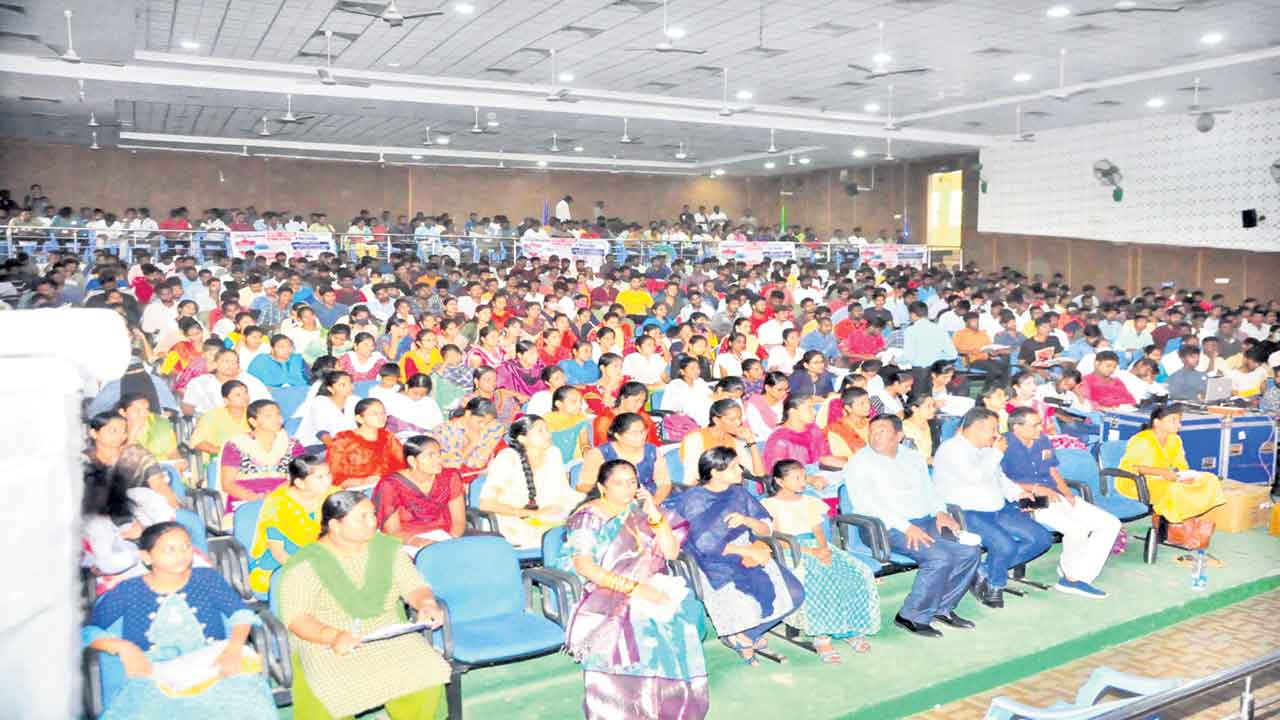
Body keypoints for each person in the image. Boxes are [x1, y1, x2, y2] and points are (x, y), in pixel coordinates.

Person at [558, 458, 710, 719]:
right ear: (602, 487)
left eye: (632, 482)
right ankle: (629, 708)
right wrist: (636, 589)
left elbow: (672, 553)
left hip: (645, 581)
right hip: (603, 589)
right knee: (645, 626)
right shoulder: (588, 518)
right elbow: (584, 566)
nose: (628, 489)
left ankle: (671, 702)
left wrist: (653, 513)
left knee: (684, 614)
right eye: (619, 483)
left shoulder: (639, 512)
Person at [278, 491, 450, 720]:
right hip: (324, 638)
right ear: (334, 525)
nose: (373, 522)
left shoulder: (386, 548)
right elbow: (298, 618)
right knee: (332, 687)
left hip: (383, 627)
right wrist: (333, 636)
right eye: (363, 517)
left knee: (427, 669)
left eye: (373, 514)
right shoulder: (307, 563)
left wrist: (426, 604)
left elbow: (414, 586)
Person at [84, 522, 278, 720]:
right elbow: (89, 632)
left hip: (209, 661)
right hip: (153, 671)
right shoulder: (127, 590)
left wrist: (234, 648)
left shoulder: (207, 579)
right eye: (170, 549)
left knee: (246, 697)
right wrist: (124, 647)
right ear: (146, 556)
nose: (181, 554)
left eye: (186, 546)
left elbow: (240, 614)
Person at [662, 446, 804, 666]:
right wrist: (747, 551)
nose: (741, 470)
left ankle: (745, 636)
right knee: (744, 605)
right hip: (710, 561)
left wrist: (747, 522)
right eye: (734, 466)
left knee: (795, 593)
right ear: (715, 472)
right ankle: (742, 636)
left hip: (747, 550)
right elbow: (704, 545)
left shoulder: (739, 492)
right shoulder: (694, 499)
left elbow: (766, 529)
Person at [845, 415, 980, 637]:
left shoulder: (912, 457)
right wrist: (905, 526)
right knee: (939, 558)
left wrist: (940, 512)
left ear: (898, 436)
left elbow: (930, 489)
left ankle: (943, 608)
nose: (874, 436)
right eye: (872, 431)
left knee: (968, 551)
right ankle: (911, 615)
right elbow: (867, 505)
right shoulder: (860, 462)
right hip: (884, 528)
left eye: (882, 431)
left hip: (924, 521)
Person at [933, 408, 1054, 608]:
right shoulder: (951, 449)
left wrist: (1018, 493)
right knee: (1005, 545)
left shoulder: (987, 450)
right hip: (967, 512)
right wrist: (997, 453)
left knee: (1041, 539)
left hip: (998, 509)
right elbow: (974, 478)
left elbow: (1000, 478)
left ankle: (985, 571)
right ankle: (995, 585)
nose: (997, 434)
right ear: (978, 428)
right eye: (993, 429)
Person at [761, 459, 880, 663]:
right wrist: (811, 551)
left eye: (804, 477)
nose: (802, 482)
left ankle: (848, 629)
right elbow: (778, 539)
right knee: (820, 579)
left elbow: (817, 530)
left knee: (856, 572)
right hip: (792, 551)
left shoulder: (808, 501)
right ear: (780, 482)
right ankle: (822, 636)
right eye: (796, 478)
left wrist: (824, 548)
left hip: (816, 546)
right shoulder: (769, 505)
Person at [1002, 407, 1121, 598]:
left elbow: (1052, 470)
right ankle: (1071, 579)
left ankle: (1078, 574)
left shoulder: (1042, 441)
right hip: (1027, 500)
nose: (1041, 428)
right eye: (1035, 425)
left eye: (1040, 423)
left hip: (1055, 494)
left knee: (1110, 524)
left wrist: (1068, 494)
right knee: (1077, 529)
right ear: (1017, 428)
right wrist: (1034, 489)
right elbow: (998, 480)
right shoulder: (1002, 445)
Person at [1117, 404, 1227, 554]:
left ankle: (1188, 521)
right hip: (1137, 481)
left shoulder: (1175, 440)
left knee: (1209, 479)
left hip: (1167, 478)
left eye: (1179, 421)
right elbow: (1134, 468)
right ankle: (1180, 527)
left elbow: (1180, 464)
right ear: (1157, 422)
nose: (1178, 425)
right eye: (1173, 420)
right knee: (1173, 489)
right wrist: (1162, 473)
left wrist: (1186, 476)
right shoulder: (1141, 440)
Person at [478, 415, 585, 549]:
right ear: (522, 438)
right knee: (559, 538)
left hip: (547, 518)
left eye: (547, 429)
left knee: (584, 524)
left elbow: (564, 492)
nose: (547, 434)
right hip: (511, 520)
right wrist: (532, 514)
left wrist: (584, 505)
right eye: (540, 431)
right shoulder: (508, 457)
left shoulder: (553, 453)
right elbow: (486, 504)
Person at [247, 454, 335, 595]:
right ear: (300, 483)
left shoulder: (333, 495)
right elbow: (278, 553)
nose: (328, 481)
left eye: (328, 474)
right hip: (286, 563)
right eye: (320, 477)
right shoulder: (278, 505)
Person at [373, 435, 465, 551]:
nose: (439, 460)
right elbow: (392, 531)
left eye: (439, 454)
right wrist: (421, 543)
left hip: (445, 538)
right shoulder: (391, 484)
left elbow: (459, 521)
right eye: (431, 456)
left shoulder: (450, 477)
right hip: (407, 542)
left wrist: (451, 541)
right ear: (412, 461)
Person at [219, 399, 306, 510]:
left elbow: (301, 476)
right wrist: (255, 498)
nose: (277, 419)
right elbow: (228, 483)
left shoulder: (293, 444)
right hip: (245, 501)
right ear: (253, 422)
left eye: (278, 414)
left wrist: (275, 496)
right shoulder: (236, 445)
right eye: (268, 416)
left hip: (283, 497)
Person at [762, 395, 845, 502]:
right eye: (809, 408)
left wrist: (848, 463)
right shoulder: (779, 440)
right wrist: (809, 479)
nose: (814, 412)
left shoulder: (813, 429)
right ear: (792, 412)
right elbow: (778, 474)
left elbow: (823, 457)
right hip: (796, 484)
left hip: (822, 474)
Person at [578, 413, 672, 502]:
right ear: (618, 436)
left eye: (643, 431)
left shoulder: (651, 450)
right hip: (615, 501)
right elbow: (585, 486)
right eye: (634, 433)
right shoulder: (599, 454)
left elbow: (664, 483)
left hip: (650, 495)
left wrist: (655, 502)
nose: (641, 436)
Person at [679, 399, 765, 487]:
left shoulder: (732, 440)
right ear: (716, 420)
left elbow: (758, 473)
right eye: (732, 420)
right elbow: (691, 479)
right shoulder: (695, 439)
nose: (738, 423)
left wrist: (750, 440)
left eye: (739, 418)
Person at [326, 398, 408, 489]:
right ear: (359, 418)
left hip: (388, 487)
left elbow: (402, 465)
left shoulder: (388, 437)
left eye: (383, 413)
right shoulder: (343, 440)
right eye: (374, 414)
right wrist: (362, 481)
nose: (381, 417)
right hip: (357, 491)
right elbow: (334, 476)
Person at [430, 396, 505, 478]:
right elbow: (451, 466)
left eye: (487, 422)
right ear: (468, 414)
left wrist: (463, 456)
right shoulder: (442, 432)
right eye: (480, 422)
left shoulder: (494, 427)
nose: (483, 426)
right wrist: (472, 444)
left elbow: (478, 463)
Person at [294, 371, 358, 449]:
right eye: (343, 385)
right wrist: (337, 448)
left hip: (345, 444)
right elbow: (322, 433)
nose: (350, 387)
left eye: (350, 383)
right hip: (315, 445)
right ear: (330, 389)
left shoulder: (355, 400)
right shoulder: (320, 402)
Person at [190, 380, 251, 458]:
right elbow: (197, 442)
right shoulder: (212, 416)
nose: (244, 397)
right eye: (238, 395)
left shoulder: (255, 414)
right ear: (226, 400)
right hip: (218, 461)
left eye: (246, 393)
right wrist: (223, 452)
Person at [592, 381, 660, 448]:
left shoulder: (644, 417)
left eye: (642, 401)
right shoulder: (604, 421)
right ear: (623, 397)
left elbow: (654, 445)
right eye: (636, 400)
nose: (640, 405)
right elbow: (603, 450)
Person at [826, 386, 871, 460]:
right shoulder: (836, 430)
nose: (867, 406)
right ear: (848, 408)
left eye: (868, 401)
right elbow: (845, 460)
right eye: (862, 404)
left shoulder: (872, 423)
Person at [744, 370, 789, 440]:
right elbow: (758, 432)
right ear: (767, 388)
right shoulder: (754, 404)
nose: (783, 393)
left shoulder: (786, 399)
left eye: (786, 389)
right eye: (779, 390)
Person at [901, 395, 937, 464]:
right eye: (928, 406)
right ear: (915, 409)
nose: (933, 409)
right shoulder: (905, 428)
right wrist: (931, 461)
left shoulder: (931, 424)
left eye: (933, 405)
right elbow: (909, 459)